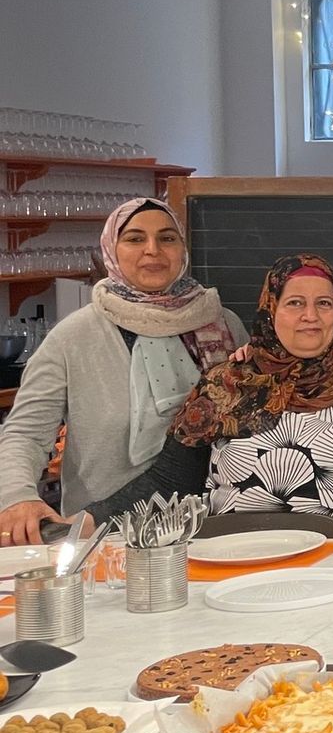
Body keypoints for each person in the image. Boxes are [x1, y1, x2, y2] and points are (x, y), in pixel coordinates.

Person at [82, 255, 333, 538]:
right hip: (236, 566)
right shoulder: (225, 383)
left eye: (323, 303)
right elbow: (170, 480)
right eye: (295, 303)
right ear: (271, 311)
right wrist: (88, 521)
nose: (310, 316)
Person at [0, 199, 244, 546]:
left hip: (215, 530)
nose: (152, 249)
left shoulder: (224, 324)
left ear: (183, 249)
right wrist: (18, 496)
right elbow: (25, 433)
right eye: (134, 238)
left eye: (167, 238)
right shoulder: (73, 337)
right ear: (111, 250)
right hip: (105, 536)